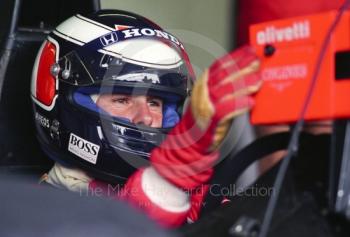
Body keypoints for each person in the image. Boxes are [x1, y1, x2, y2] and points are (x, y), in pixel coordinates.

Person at [31, 9, 261, 227]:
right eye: (122, 100)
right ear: (55, 96)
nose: (145, 118)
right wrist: (180, 161)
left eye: (154, 103)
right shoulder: (41, 210)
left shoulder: (190, 198)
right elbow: (127, 225)